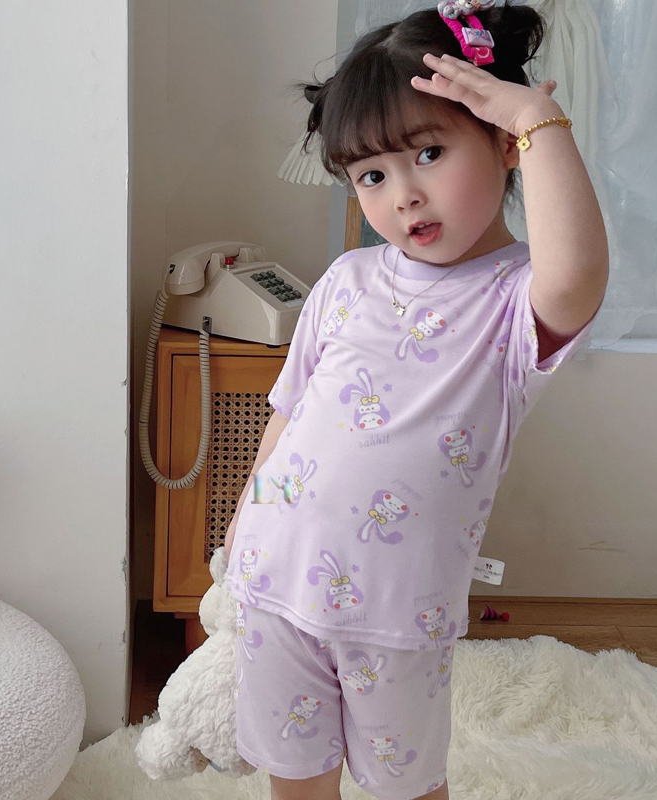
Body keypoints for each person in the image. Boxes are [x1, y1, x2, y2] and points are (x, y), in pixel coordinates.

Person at [224, 2, 608, 798]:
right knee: (293, 777)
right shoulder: (347, 279)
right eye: (372, 175)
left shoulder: (515, 301)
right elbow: (290, 411)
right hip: (275, 581)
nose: (403, 195)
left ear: (505, 143)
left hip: (397, 618)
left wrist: (538, 121)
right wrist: (240, 526)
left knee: (407, 787)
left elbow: (578, 273)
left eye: (429, 153)